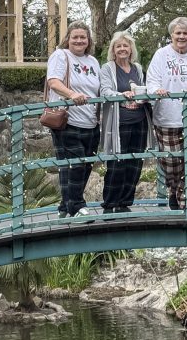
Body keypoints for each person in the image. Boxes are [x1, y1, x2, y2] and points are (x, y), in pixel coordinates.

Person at [146, 17, 187, 210]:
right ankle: (175, 191)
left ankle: (185, 205)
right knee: (171, 162)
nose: (182, 36)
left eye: (185, 33)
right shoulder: (161, 54)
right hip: (167, 117)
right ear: (171, 35)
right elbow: (152, 80)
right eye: (178, 33)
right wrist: (157, 91)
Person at [46, 21, 101, 218]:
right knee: (74, 165)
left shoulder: (93, 62)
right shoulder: (61, 56)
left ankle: (65, 207)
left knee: (85, 166)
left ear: (88, 41)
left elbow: (99, 88)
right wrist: (71, 94)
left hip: (91, 122)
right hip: (67, 120)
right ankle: (77, 206)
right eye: (75, 37)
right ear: (67, 39)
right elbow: (53, 81)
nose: (79, 41)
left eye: (83, 37)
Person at [100, 31, 153, 212]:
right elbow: (105, 91)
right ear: (113, 50)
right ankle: (110, 203)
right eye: (118, 46)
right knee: (117, 163)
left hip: (139, 121)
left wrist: (144, 97)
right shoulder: (108, 68)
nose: (122, 49)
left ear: (131, 49)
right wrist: (122, 96)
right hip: (119, 122)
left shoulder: (137, 68)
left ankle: (124, 202)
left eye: (125, 45)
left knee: (135, 163)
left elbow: (145, 88)